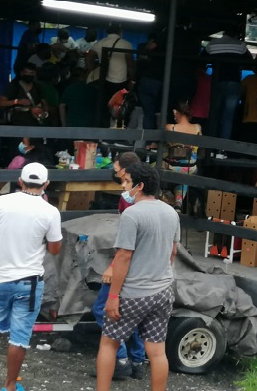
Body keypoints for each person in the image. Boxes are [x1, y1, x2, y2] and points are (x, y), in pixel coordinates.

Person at [0, 163, 62, 391]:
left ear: (20, 181)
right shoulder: (50, 212)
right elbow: (55, 249)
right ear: (46, 184)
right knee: (19, 337)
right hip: (28, 283)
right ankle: (9, 385)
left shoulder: (2, 202)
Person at [96, 161, 179, 391]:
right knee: (157, 352)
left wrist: (113, 296)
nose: (124, 185)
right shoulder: (171, 213)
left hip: (133, 293)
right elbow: (173, 252)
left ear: (140, 186)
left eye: (127, 181)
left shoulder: (132, 215)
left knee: (108, 344)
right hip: (162, 292)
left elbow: (123, 256)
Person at [91, 151, 147, 380]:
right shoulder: (154, 205)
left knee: (103, 309)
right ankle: (136, 360)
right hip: (142, 268)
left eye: (120, 175)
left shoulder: (129, 201)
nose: (118, 180)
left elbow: (127, 245)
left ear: (128, 173)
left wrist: (113, 266)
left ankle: (120, 359)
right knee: (131, 314)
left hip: (127, 264)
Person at [204, 25, 253, 140]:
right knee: (228, 117)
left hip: (216, 81)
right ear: (237, 35)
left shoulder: (213, 43)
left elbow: (202, 58)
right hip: (233, 82)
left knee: (214, 114)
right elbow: (250, 60)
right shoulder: (240, 45)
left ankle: (210, 146)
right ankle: (222, 149)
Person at [87, 23, 134, 128]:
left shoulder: (100, 43)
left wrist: (92, 71)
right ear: (120, 32)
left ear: (107, 31)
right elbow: (130, 65)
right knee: (121, 108)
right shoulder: (126, 44)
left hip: (104, 81)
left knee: (105, 108)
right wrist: (132, 80)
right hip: (121, 82)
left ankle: (103, 132)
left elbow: (89, 58)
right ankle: (118, 132)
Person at [164, 100, 201, 212]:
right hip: (191, 166)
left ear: (176, 112)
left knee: (153, 167)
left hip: (173, 166)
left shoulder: (170, 127)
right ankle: (178, 204)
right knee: (184, 176)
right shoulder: (197, 128)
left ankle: (165, 199)